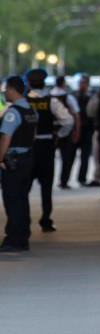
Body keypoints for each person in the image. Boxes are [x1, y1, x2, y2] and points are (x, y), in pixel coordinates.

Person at [25, 67, 74, 232]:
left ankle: (24, 219)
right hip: (46, 146)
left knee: (23, 186)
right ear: (44, 83)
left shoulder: (22, 102)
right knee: (46, 186)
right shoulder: (51, 101)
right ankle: (46, 220)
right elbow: (68, 121)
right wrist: (58, 135)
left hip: (27, 148)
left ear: (29, 83)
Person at [0, 75, 37, 252]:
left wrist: (0, 158)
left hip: (13, 160)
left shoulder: (12, 113)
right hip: (27, 158)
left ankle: (12, 238)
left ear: (13, 90)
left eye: (6, 89)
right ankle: (23, 237)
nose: (4, 92)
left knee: (12, 199)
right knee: (22, 198)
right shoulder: (30, 110)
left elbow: (5, 138)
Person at [50, 75, 81, 189]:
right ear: (63, 83)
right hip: (65, 130)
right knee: (66, 158)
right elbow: (75, 115)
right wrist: (76, 131)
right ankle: (64, 180)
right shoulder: (68, 97)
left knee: (48, 158)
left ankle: (47, 178)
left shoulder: (49, 97)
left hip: (51, 131)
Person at [74, 74, 96, 186]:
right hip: (75, 129)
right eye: (80, 83)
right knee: (70, 156)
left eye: (83, 83)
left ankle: (81, 178)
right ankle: (64, 179)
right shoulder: (74, 96)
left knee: (85, 156)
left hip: (87, 129)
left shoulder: (92, 96)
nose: (81, 85)